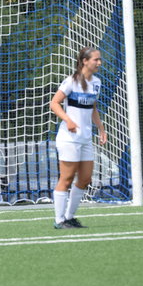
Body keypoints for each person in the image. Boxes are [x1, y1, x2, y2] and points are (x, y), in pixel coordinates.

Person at [49, 47, 107, 229]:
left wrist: (101, 129)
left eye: (99, 59)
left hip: (85, 138)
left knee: (85, 179)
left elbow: (93, 108)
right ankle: (59, 220)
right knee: (66, 179)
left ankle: (69, 217)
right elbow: (54, 103)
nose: (99, 63)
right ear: (85, 61)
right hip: (69, 139)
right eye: (96, 59)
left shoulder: (96, 82)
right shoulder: (71, 82)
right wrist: (68, 120)